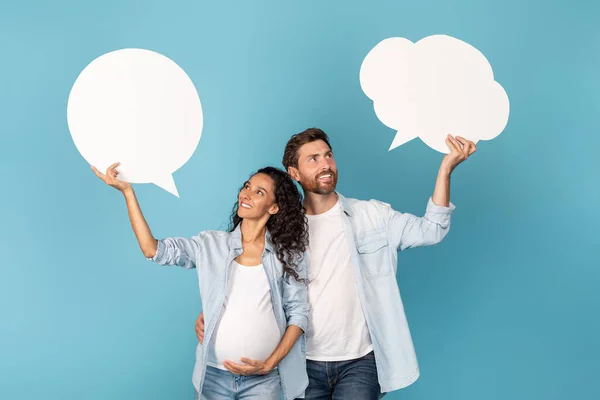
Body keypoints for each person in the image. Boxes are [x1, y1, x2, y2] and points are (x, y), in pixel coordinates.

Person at [196, 128, 476, 399]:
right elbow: (246, 278)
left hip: (361, 360)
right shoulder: (279, 231)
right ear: (294, 173)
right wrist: (215, 313)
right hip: (301, 361)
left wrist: (446, 168)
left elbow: (432, 230)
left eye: (328, 155)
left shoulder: (371, 215)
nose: (325, 164)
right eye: (313, 159)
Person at [92, 163, 310, 400]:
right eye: (247, 186)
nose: (246, 194)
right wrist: (128, 193)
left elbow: (298, 314)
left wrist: (269, 364)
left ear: (275, 207)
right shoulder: (210, 244)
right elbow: (152, 249)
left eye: (259, 192)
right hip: (214, 377)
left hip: (263, 380)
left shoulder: (286, 255)